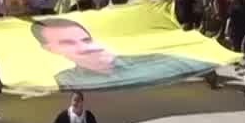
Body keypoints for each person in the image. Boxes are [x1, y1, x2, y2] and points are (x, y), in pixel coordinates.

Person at [30, 18, 217, 92]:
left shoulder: (159, 60)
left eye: (85, 39)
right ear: (51, 50)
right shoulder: (64, 81)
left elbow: (195, 64)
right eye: (68, 43)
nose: (85, 48)